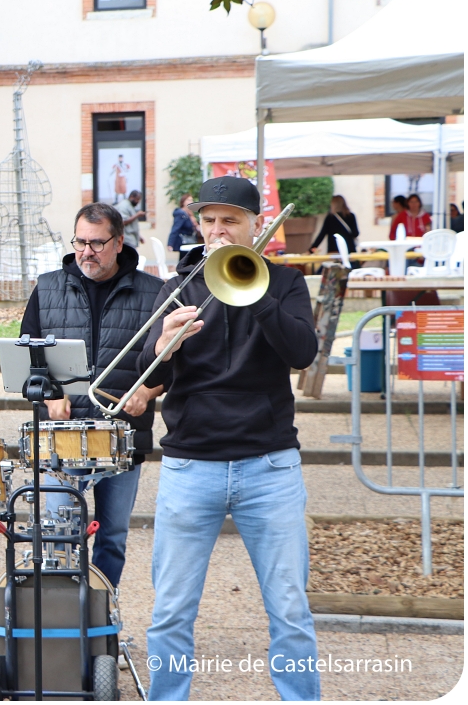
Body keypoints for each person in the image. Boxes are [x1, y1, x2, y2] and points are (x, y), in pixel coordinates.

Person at [137, 176, 320, 701]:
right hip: (191, 465)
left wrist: (256, 291)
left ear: (255, 225)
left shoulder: (284, 284)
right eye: (210, 221)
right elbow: (153, 375)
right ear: (198, 224)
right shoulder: (178, 286)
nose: (219, 231)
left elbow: (302, 353)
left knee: (289, 607)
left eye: (231, 221)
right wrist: (164, 345)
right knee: (171, 609)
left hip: (270, 464)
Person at [19, 203, 164, 589]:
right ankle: (63, 622)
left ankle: (101, 617)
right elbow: (27, 362)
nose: (87, 251)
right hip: (62, 440)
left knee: (112, 539)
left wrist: (148, 392)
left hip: (123, 438)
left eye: (97, 243)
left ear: (118, 243)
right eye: (80, 241)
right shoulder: (47, 287)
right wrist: (49, 398)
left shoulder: (154, 292)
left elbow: (175, 362)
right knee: (57, 538)